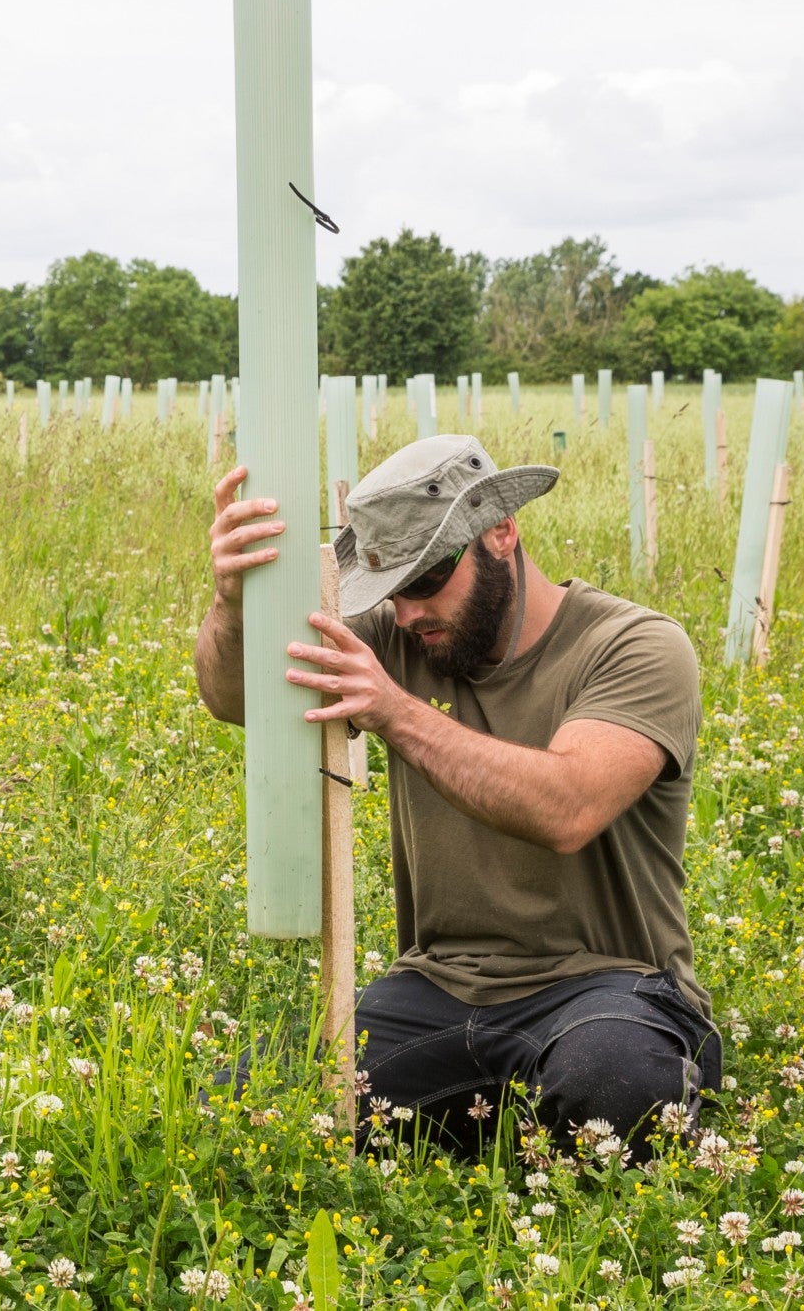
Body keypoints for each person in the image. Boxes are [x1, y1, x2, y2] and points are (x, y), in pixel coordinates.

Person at [193, 433, 710, 1158]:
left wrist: (394, 712)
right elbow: (232, 697)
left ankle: (506, 1126)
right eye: (388, 590)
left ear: (501, 531)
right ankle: (500, 1129)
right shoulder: (400, 639)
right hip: (436, 990)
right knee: (245, 1102)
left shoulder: (635, 646)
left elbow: (568, 808)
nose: (407, 614)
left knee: (616, 1082)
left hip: (608, 988)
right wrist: (232, 602)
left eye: (428, 578)